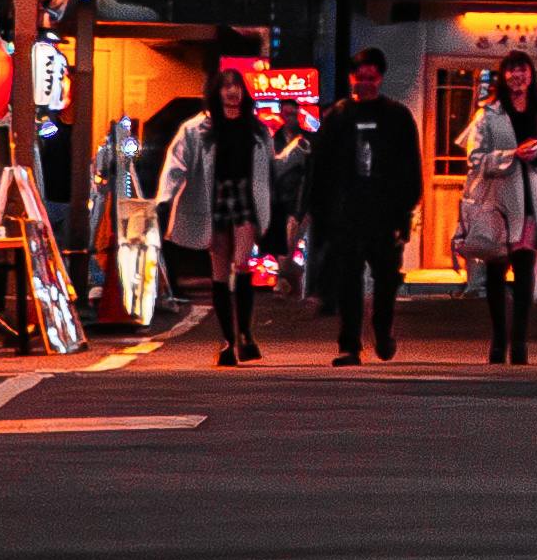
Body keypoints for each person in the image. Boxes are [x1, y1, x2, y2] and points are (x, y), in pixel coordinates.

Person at [301, 46, 424, 364]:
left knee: (386, 279)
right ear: (351, 78)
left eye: (371, 77)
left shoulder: (397, 117)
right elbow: (321, 167)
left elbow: (410, 165)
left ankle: (382, 333)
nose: (364, 83)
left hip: (386, 213)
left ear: (380, 78)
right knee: (348, 280)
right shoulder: (338, 116)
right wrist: (317, 210)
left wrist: (405, 209)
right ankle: (349, 344)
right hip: (346, 213)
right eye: (359, 77)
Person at [161, 59, 278, 362]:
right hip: (211, 202)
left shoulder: (257, 130)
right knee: (218, 273)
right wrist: (165, 197)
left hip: (245, 201)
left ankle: (245, 335)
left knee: (241, 265)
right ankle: (228, 341)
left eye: (236, 86)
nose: (232, 92)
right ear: (216, 92)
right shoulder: (197, 128)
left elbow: (270, 169)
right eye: (226, 87)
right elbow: (177, 163)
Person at [458, 51, 537, 366]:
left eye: (523, 70)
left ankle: (520, 343)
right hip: (497, 203)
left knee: (527, 271)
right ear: (503, 76)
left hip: (531, 203)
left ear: (531, 75)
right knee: (496, 271)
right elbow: (475, 158)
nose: (517, 76)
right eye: (512, 70)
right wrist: (512, 154)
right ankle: (499, 340)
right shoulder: (487, 115)